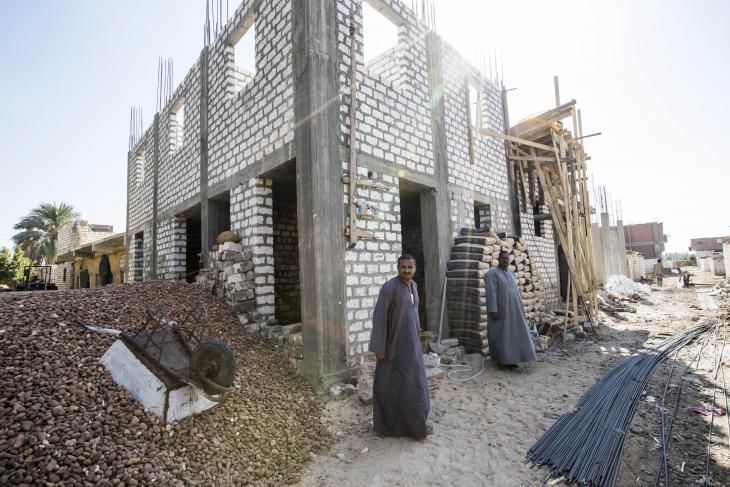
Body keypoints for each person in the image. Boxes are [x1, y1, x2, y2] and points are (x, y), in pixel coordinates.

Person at [369, 254, 432, 440]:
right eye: (403, 267)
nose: (406, 270)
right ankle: (390, 427)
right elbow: (379, 318)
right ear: (398, 268)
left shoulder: (414, 286)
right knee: (391, 384)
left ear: (415, 268)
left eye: (410, 267)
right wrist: (379, 347)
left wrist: (417, 336)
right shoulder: (389, 288)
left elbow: (413, 315)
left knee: (413, 383)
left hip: (411, 345)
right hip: (392, 347)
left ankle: (415, 424)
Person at [485, 250, 537, 367]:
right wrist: (493, 309)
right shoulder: (492, 274)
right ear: (498, 259)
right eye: (502, 258)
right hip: (500, 311)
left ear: (510, 260)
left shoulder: (512, 274)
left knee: (514, 334)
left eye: (507, 258)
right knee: (502, 335)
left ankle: (514, 360)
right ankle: (503, 361)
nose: (505, 260)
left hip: (514, 311)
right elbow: (491, 293)